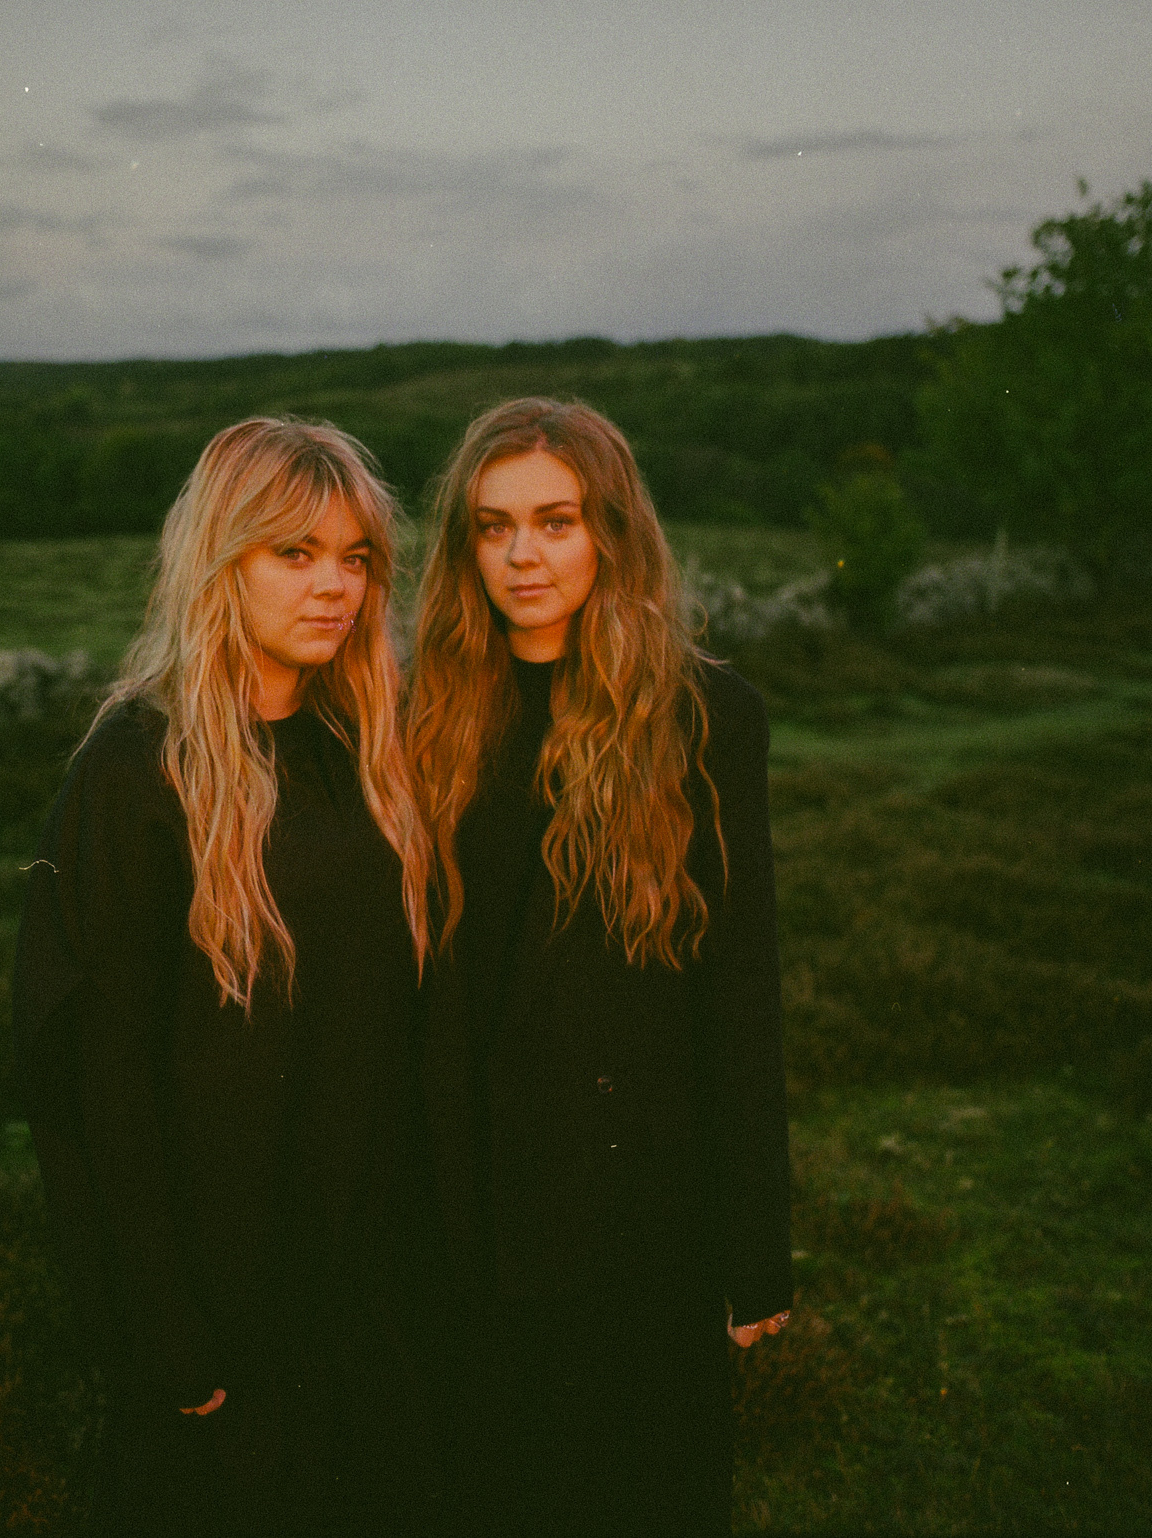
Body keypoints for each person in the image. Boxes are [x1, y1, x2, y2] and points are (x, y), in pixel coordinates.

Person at [11, 418, 437, 1535]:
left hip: (368, 1268)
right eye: (293, 553)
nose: (334, 586)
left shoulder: (366, 750)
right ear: (219, 559)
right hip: (221, 1281)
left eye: (355, 558)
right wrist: (161, 1325)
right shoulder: (135, 770)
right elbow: (100, 1077)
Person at [409, 398, 793, 1536]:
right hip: (462, 1193)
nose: (521, 556)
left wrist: (753, 1243)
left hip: (637, 1205)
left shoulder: (704, 715)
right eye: (492, 527)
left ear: (611, 533)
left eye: (556, 521)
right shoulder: (422, 710)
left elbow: (740, 987)